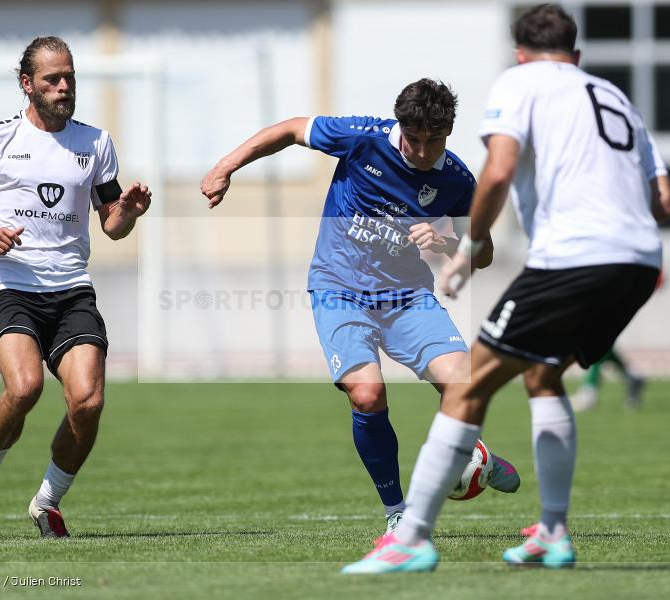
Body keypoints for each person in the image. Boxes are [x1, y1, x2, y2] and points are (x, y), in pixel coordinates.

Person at [342, 4, 670, 573]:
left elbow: (497, 170)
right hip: (639, 260)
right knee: (544, 377)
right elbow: (663, 199)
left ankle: (410, 539)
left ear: (521, 53)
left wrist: (467, 249)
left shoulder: (521, 81)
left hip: (571, 257)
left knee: (468, 387)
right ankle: (552, 533)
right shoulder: (615, 97)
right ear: (578, 55)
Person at [201, 79, 520, 536]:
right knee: (367, 394)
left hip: (407, 296)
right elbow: (292, 129)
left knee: (464, 382)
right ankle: (397, 512)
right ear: (400, 127)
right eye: (415, 140)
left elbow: (483, 251)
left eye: (436, 140)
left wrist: (449, 241)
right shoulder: (363, 137)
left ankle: (476, 457)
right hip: (339, 288)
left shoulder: (457, 180)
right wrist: (226, 166)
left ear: (449, 131)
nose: (424, 151)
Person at [0, 36, 152, 539]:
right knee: (26, 385)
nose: (63, 87)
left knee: (88, 400)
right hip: (9, 283)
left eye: (70, 78)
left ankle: (47, 501)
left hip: (71, 287)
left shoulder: (95, 142)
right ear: (27, 84)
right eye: (53, 79)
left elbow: (111, 224)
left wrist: (129, 211)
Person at [573, 173, 670, 413]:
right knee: (594, 335)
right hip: (609, 270)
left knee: (590, 332)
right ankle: (630, 377)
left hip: (616, 271)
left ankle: (591, 389)